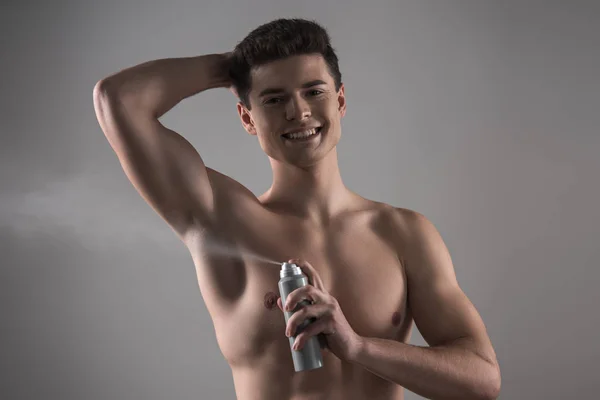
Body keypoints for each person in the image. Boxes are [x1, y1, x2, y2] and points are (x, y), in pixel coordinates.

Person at [93, 18, 501, 400]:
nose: (298, 111)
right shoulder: (221, 219)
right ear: (247, 118)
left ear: (340, 101)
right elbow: (119, 100)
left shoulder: (403, 233)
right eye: (274, 98)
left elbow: (482, 379)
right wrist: (234, 67)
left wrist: (357, 347)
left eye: (313, 91)